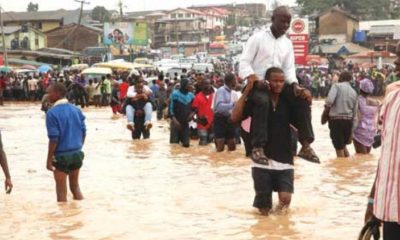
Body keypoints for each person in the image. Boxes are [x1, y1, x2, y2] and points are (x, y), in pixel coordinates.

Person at [239, 6, 318, 164]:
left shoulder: (287, 44)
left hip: (280, 85)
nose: (286, 25)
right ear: (272, 19)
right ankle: (258, 147)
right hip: (259, 84)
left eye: (288, 22)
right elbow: (244, 62)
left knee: (301, 100)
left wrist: (295, 85)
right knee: (262, 102)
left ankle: (306, 145)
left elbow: (289, 69)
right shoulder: (257, 38)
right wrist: (254, 78)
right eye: (283, 21)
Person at [233, 67, 295, 215]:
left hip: (284, 158)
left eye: (281, 81)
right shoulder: (257, 101)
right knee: (264, 209)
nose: (279, 84)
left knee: (285, 200)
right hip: (261, 159)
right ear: (267, 82)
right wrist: (247, 91)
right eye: (275, 81)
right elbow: (234, 118)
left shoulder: (288, 101)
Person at [45, 83, 86, 202]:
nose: (47, 95)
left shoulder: (52, 113)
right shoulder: (76, 109)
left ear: (58, 94)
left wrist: (49, 160)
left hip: (61, 156)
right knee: (75, 187)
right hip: (77, 153)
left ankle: (64, 220)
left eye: (49, 92)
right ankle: (79, 215)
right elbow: (84, 132)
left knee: (61, 193)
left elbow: (54, 139)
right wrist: (78, 147)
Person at [324, 71, 358, 158]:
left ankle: (342, 168)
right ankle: (347, 168)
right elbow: (355, 114)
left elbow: (329, 101)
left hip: (336, 120)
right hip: (348, 122)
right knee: (343, 146)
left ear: (341, 78)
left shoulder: (336, 86)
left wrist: (325, 111)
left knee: (339, 149)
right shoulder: (354, 92)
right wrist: (352, 131)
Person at [352, 78, 381, 154]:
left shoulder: (357, 100)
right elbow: (380, 117)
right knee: (367, 155)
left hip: (360, 131)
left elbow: (356, 117)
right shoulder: (376, 102)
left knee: (361, 156)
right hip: (371, 131)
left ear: (360, 89)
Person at [213, 73, 237, 152]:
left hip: (229, 119)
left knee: (232, 145)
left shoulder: (233, 92)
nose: (236, 81)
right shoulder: (221, 91)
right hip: (220, 118)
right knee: (221, 145)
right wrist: (232, 105)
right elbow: (219, 107)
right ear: (231, 81)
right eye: (235, 79)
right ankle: (218, 162)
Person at [169, 78, 195, 148]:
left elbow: (195, 108)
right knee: (174, 146)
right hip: (175, 123)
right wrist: (175, 121)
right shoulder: (175, 94)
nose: (191, 86)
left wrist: (192, 114)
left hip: (186, 124)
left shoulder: (191, 96)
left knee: (186, 145)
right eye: (189, 84)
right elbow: (171, 109)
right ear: (184, 85)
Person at [192, 78, 214, 146]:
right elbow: (194, 110)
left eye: (209, 84)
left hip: (213, 123)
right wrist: (197, 120)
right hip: (202, 124)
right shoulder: (197, 97)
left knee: (211, 143)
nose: (207, 85)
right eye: (205, 84)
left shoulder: (214, 95)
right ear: (202, 85)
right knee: (203, 142)